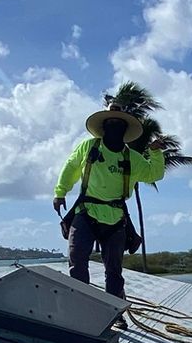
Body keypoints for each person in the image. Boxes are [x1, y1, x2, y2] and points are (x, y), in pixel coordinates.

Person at [52, 106, 167, 299]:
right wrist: (60, 193)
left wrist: (155, 153)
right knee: (77, 261)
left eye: (119, 125)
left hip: (116, 218)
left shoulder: (133, 158)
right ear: (103, 128)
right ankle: (80, 306)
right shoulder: (89, 147)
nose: (115, 128)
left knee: (114, 271)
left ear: (125, 130)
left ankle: (115, 311)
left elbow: (154, 174)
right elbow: (70, 167)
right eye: (110, 124)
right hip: (86, 212)